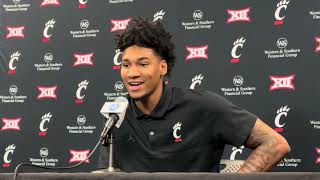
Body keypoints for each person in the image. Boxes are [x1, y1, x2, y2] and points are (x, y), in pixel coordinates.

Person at [97, 17, 291, 172]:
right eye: (126, 65)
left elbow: (276, 143)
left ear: (162, 67)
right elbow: (106, 173)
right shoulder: (116, 117)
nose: (132, 73)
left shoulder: (203, 106)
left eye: (143, 64)